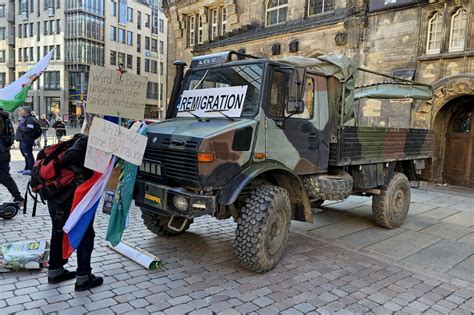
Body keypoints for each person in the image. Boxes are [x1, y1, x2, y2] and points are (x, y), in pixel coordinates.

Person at [47, 134, 103, 291]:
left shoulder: (76, 139)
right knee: (85, 234)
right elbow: (69, 158)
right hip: (69, 197)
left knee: (58, 232)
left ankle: (55, 271)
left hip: (56, 195)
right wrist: (87, 169)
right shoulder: (86, 140)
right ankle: (83, 278)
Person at [0, 108, 25, 207]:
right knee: (5, 177)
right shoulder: (5, 117)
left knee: (5, 177)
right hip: (4, 151)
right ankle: (18, 197)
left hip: (1, 152)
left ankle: (18, 197)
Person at [15, 106, 37, 175]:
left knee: (28, 154)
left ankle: (31, 169)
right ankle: (26, 168)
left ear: (25, 111)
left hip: (27, 140)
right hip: (22, 139)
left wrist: (20, 128)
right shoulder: (23, 118)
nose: (20, 111)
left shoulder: (30, 119)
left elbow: (29, 129)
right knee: (25, 155)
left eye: (21, 110)